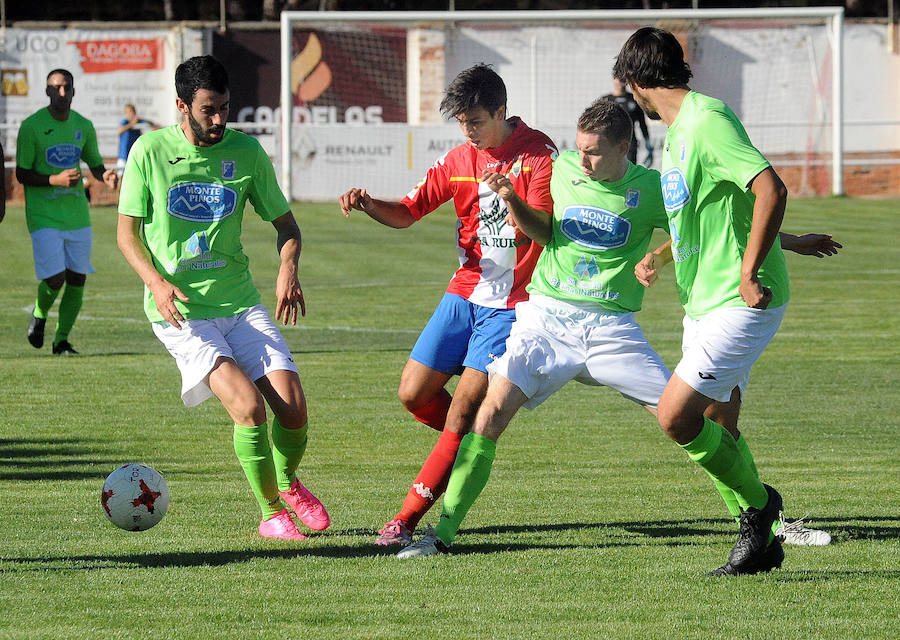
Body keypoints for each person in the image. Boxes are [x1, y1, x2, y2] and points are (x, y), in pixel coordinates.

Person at [396, 100, 840, 561]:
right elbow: (544, 232)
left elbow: (711, 229)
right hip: (547, 320)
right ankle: (441, 537)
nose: (582, 160)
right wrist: (511, 198)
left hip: (612, 329)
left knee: (691, 421)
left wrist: (788, 242)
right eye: (579, 149)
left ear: (623, 148)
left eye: (594, 152)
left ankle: (765, 520)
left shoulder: (651, 188)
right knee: (489, 415)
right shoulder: (559, 168)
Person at [338, 63, 557, 547]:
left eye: (476, 120)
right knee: (413, 394)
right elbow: (408, 212)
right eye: (462, 122)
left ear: (502, 111)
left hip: (512, 306)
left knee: (459, 412)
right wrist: (370, 203)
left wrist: (509, 202)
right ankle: (468, 442)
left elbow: (543, 228)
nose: (469, 131)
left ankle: (406, 519)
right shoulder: (459, 160)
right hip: (463, 294)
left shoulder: (539, 155)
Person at [117, 55, 329, 540]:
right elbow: (126, 236)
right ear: (181, 106)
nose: (218, 120)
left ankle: (288, 481)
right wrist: (156, 281)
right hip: (182, 312)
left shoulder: (247, 153)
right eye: (208, 110)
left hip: (240, 303)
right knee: (248, 407)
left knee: (293, 408)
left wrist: (288, 270)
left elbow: (287, 226)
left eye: (225, 109)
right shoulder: (148, 152)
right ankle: (271, 512)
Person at [612, 26, 800, 576]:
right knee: (720, 422)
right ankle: (759, 545)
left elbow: (770, 188)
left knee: (675, 416)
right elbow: (726, 212)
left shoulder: (707, 119)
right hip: (703, 301)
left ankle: (762, 509)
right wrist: (661, 259)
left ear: (637, 81)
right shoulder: (677, 134)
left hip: (742, 300)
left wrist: (749, 272)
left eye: (627, 85)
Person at [18, 69, 118, 355]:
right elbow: (22, 174)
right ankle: (39, 313)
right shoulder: (32, 126)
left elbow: (95, 164)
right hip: (43, 215)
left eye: (67, 88)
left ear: (73, 91)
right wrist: (54, 180)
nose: (62, 93)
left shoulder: (83, 126)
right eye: (56, 88)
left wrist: (106, 175)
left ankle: (61, 341)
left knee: (77, 278)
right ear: (47, 91)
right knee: (55, 278)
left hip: (76, 215)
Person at [603, 77, 653, 166]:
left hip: (630, 143)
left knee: (629, 170)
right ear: (613, 80)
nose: (620, 82)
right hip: (610, 142)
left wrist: (648, 143)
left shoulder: (634, 99)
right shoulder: (606, 100)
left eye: (622, 79)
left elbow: (642, 123)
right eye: (618, 79)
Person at [116, 103, 157, 175]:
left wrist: (141, 119)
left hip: (135, 154)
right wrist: (132, 124)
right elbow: (120, 130)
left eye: (131, 111)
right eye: (128, 112)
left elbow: (151, 124)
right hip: (123, 155)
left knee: (135, 175)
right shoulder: (125, 122)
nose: (130, 114)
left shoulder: (138, 122)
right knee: (120, 176)